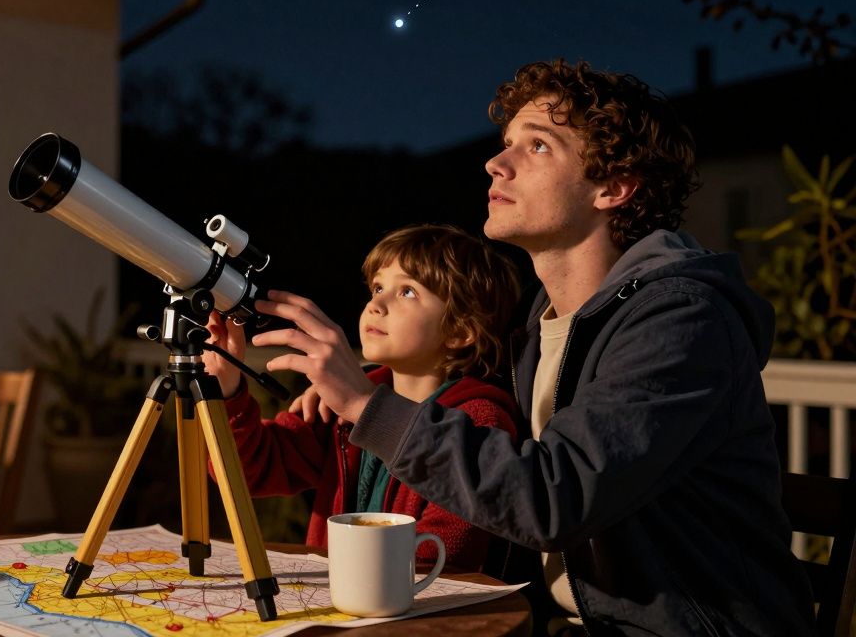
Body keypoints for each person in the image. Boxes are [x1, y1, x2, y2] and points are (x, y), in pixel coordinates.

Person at [250, 61, 815, 636]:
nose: (496, 163)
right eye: (506, 144)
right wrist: (358, 388)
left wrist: (364, 406)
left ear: (613, 187)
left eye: (538, 146)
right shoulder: (534, 326)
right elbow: (448, 388)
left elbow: (556, 495)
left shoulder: (681, 320)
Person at [204, 224, 522, 572]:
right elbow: (248, 472)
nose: (376, 304)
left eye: (408, 292)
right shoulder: (340, 407)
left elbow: (443, 560)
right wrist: (228, 389)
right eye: (378, 287)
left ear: (461, 330)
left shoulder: (477, 421)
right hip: (343, 602)